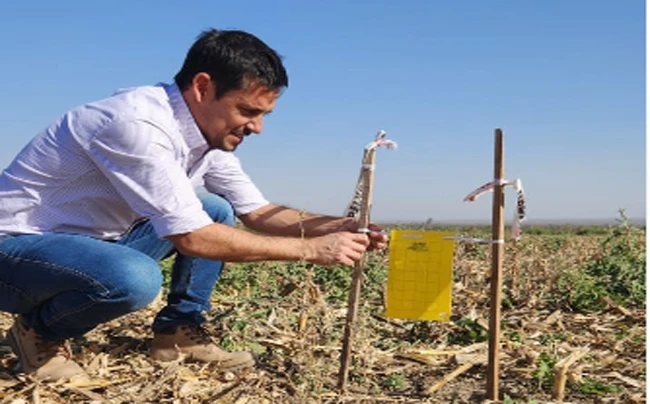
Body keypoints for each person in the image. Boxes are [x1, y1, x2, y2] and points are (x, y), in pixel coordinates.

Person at [0, 29, 387, 382]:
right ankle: (37, 333)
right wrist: (309, 250)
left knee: (214, 208)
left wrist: (337, 227)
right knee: (134, 278)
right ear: (203, 87)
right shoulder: (136, 125)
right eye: (248, 111)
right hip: (15, 249)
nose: (257, 128)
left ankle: (176, 335)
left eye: (263, 115)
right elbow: (192, 238)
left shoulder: (206, 136)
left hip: (84, 247)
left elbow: (256, 211)